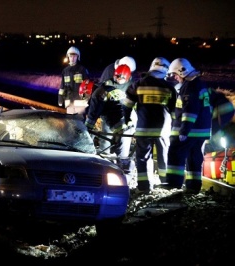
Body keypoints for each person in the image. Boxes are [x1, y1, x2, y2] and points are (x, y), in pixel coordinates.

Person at [122, 57, 177, 192]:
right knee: (164, 156)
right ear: (165, 70)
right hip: (162, 129)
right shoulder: (169, 88)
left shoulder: (138, 85)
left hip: (143, 128)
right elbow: (175, 111)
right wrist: (176, 127)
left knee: (143, 157)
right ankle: (165, 183)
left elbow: (126, 106)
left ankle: (144, 187)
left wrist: (127, 120)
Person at [164, 58, 212, 194]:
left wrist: (184, 130)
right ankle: (193, 186)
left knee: (175, 153)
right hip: (201, 131)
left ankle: (173, 183)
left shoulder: (189, 86)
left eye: (175, 75)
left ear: (182, 72)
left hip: (191, 131)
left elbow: (190, 111)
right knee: (194, 157)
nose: (175, 78)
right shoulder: (199, 84)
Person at [85, 64, 135, 168]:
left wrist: (85, 132)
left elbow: (92, 117)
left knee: (121, 158)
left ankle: (123, 176)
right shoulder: (108, 88)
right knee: (121, 153)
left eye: (85, 96)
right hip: (129, 122)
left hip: (122, 127)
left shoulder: (96, 95)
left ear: (88, 92)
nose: (85, 99)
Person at [58, 46, 90, 114]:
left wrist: (86, 98)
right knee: (70, 121)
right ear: (68, 57)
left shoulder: (82, 70)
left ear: (78, 57)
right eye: (71, 56)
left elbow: (87, 86)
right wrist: (60, 98)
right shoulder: (65, 71)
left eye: (74, 56)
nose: (72, 58)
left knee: (80, 121)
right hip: (69, 101)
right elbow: (62, 87)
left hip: (80, 101)